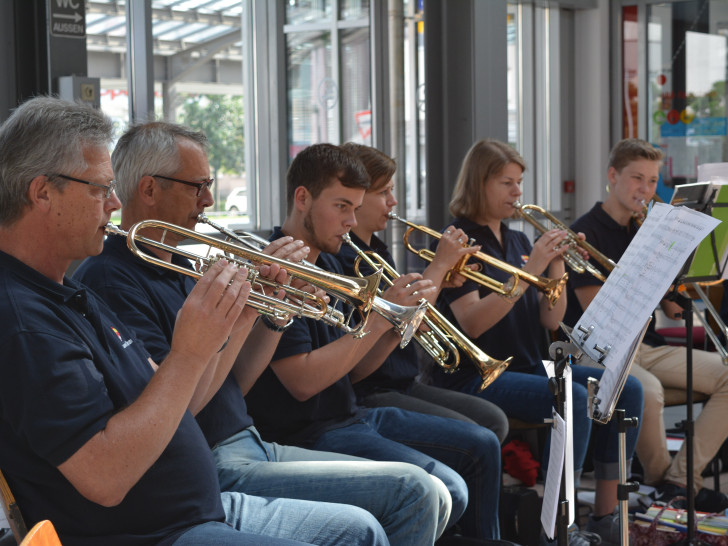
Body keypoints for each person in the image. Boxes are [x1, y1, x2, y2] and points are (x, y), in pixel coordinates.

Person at [74, 121, 449, 546]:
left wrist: (267, 311)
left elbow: (236, 384)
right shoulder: (111, 278)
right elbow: (179, 409)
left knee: (425, 488)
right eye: (198, 186)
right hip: (215, 458)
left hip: (250, 441)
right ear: (149, 189)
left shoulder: (183, 264)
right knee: (413, 491)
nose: (210, 200)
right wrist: (232, 321)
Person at [0, 96, 318, 545]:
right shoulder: (22, 321)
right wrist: (189, 350)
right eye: (98, 189)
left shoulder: (70, 291)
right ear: (42, 192)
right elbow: (106, 477)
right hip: (151, 535)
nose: (113, 202)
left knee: (359, 531)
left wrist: (242, 313)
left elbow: (176, 400)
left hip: (192, 516)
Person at [245, 143, 503, 541]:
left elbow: (359, 369)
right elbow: (303, 383)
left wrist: (390, 324)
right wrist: (381, 318)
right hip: (307, 431)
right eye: (342, 206)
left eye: (355, 208)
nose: (351, 221)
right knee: (447, 487)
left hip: (349, 413)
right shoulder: (278, 268)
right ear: (302, 198)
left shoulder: (329, 261)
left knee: (479, 445)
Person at [432, 138, 644, 546]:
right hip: (480, 374)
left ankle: (604, 514)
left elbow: (552, 318)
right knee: (574, 396)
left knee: (627, 386)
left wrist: (557, 262)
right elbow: (472, 323)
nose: (517, 193)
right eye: (506, 183)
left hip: (527, 365)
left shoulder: (515, 240)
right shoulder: (459, 240)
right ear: (479, 184)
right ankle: (556, 523)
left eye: (519, 183)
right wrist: (530, 268)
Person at [565, 137, 728, 513]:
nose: (646, 190)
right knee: (648, 391)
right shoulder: (584, 232)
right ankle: (659, 482)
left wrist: (677, 276)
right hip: (602, 351)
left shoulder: (648, 231)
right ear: (612, 176)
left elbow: (671, 308)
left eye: (653, 181)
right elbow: (598, 310)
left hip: (646, 346)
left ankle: (679, 481)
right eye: (637, 178)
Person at [334, 142, 509, 443]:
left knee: (493, 420)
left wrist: (441, 278)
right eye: (384, 192)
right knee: (478, 437)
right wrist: (439, 265)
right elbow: (398, 318)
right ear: (358, 198)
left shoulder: (376, 248)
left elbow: (411, 314)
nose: (393, 201)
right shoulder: (348, 257)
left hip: (402, 379)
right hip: (371, 388)